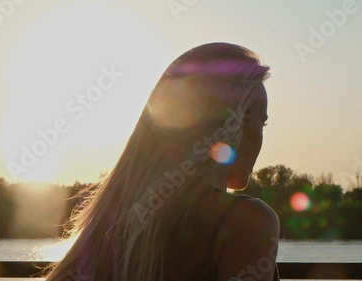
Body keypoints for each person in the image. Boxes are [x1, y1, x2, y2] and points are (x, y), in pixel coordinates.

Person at [44, 42, 280, 281]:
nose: (261, 136)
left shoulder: (113, 225)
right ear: (236, 124)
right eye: (261, 124)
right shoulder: (246, 222)